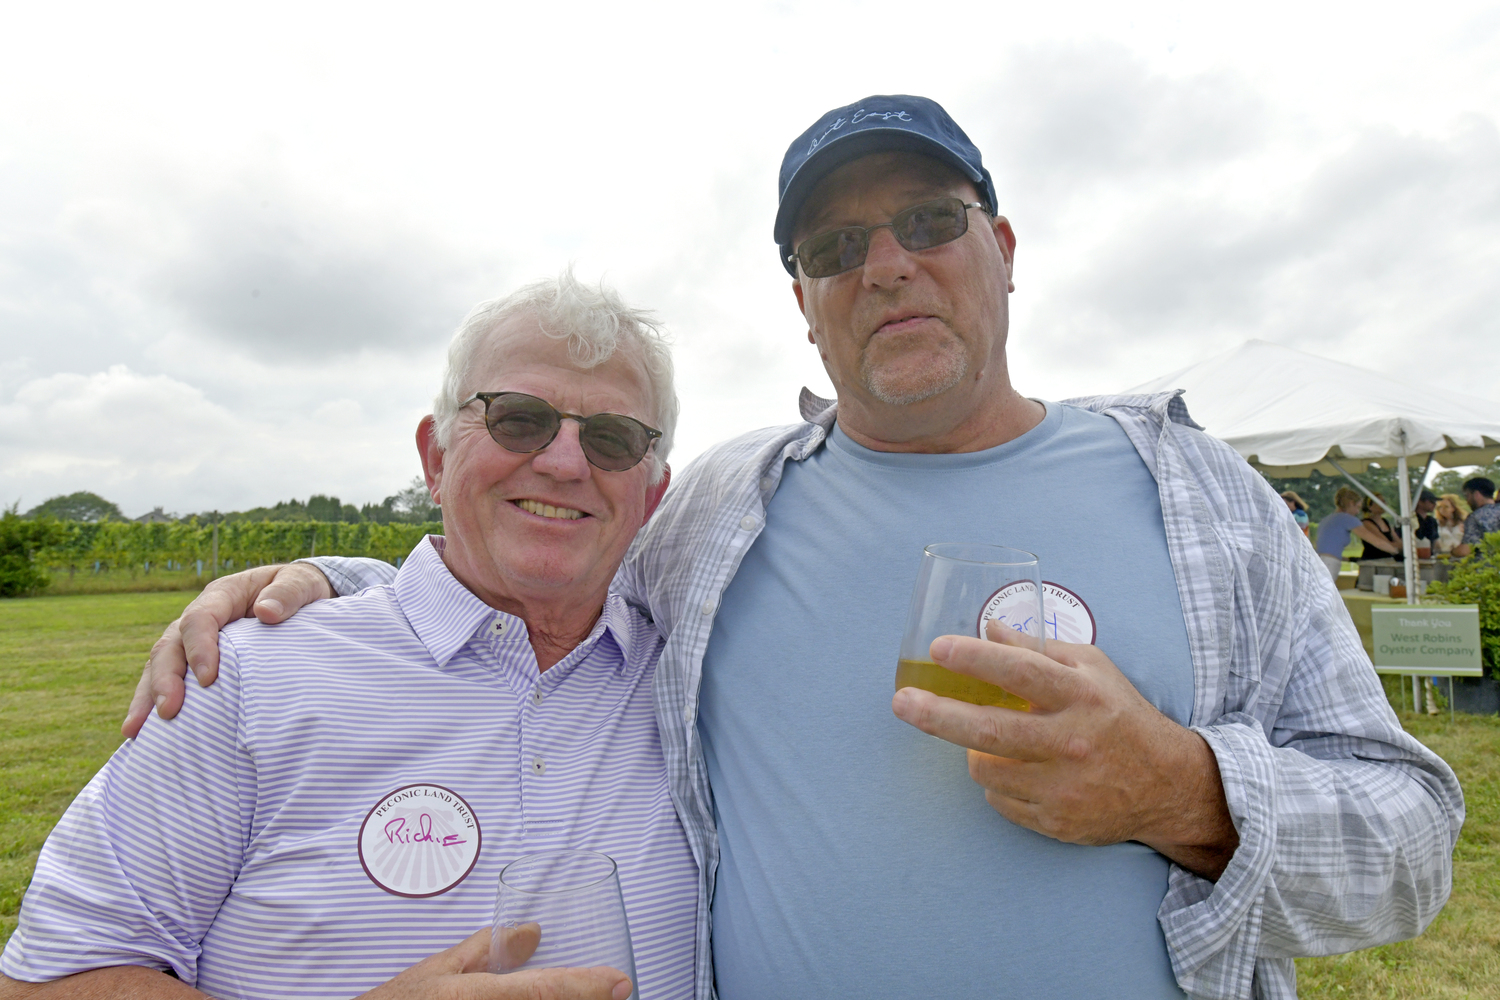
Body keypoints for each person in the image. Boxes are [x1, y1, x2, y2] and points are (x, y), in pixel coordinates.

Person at [125, 96, 1463, 1000]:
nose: (887, 264)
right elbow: (539, 572)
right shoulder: (719, 510)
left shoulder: (1198, 495)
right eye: (835, 246)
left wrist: (1187, 793)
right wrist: (328, 589)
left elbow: (1415, 848)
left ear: (999, 250)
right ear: (805, 307)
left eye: (930, 223)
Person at [1, 275, 697, 1000]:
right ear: (434, 459)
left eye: (614, 439)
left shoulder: (695, 680)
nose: (563, 463)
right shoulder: (244, 676)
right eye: (519, 420)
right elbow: (47, 981)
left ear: (651, 494)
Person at [1313, 487, 1366, 581]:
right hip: (1330, 564)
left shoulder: (1326, 520)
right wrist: (1394, 550)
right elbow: (1374, 540)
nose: (1358, 512)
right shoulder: (1347, 519)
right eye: (1357, 507)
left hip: (1318, 561)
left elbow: (1328, 549)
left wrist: (1349, 559)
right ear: (1350, 503)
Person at [1452, 476, 1500, 558]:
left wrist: (1453, 551)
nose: (1467, 501)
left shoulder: (1475, 517)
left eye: (1467, 496)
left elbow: (1465, 550)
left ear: (1476, 494)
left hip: (1486, 568)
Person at [1357, 492, 1404, 561]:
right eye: (1380, 502)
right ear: (1370, 507)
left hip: (1387, 560)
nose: (1384, 504)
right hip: (1372, 562)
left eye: (1384, 501)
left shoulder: (1385, 521)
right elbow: (1385, 544)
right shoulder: (1366, 523)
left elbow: (1398, 541)